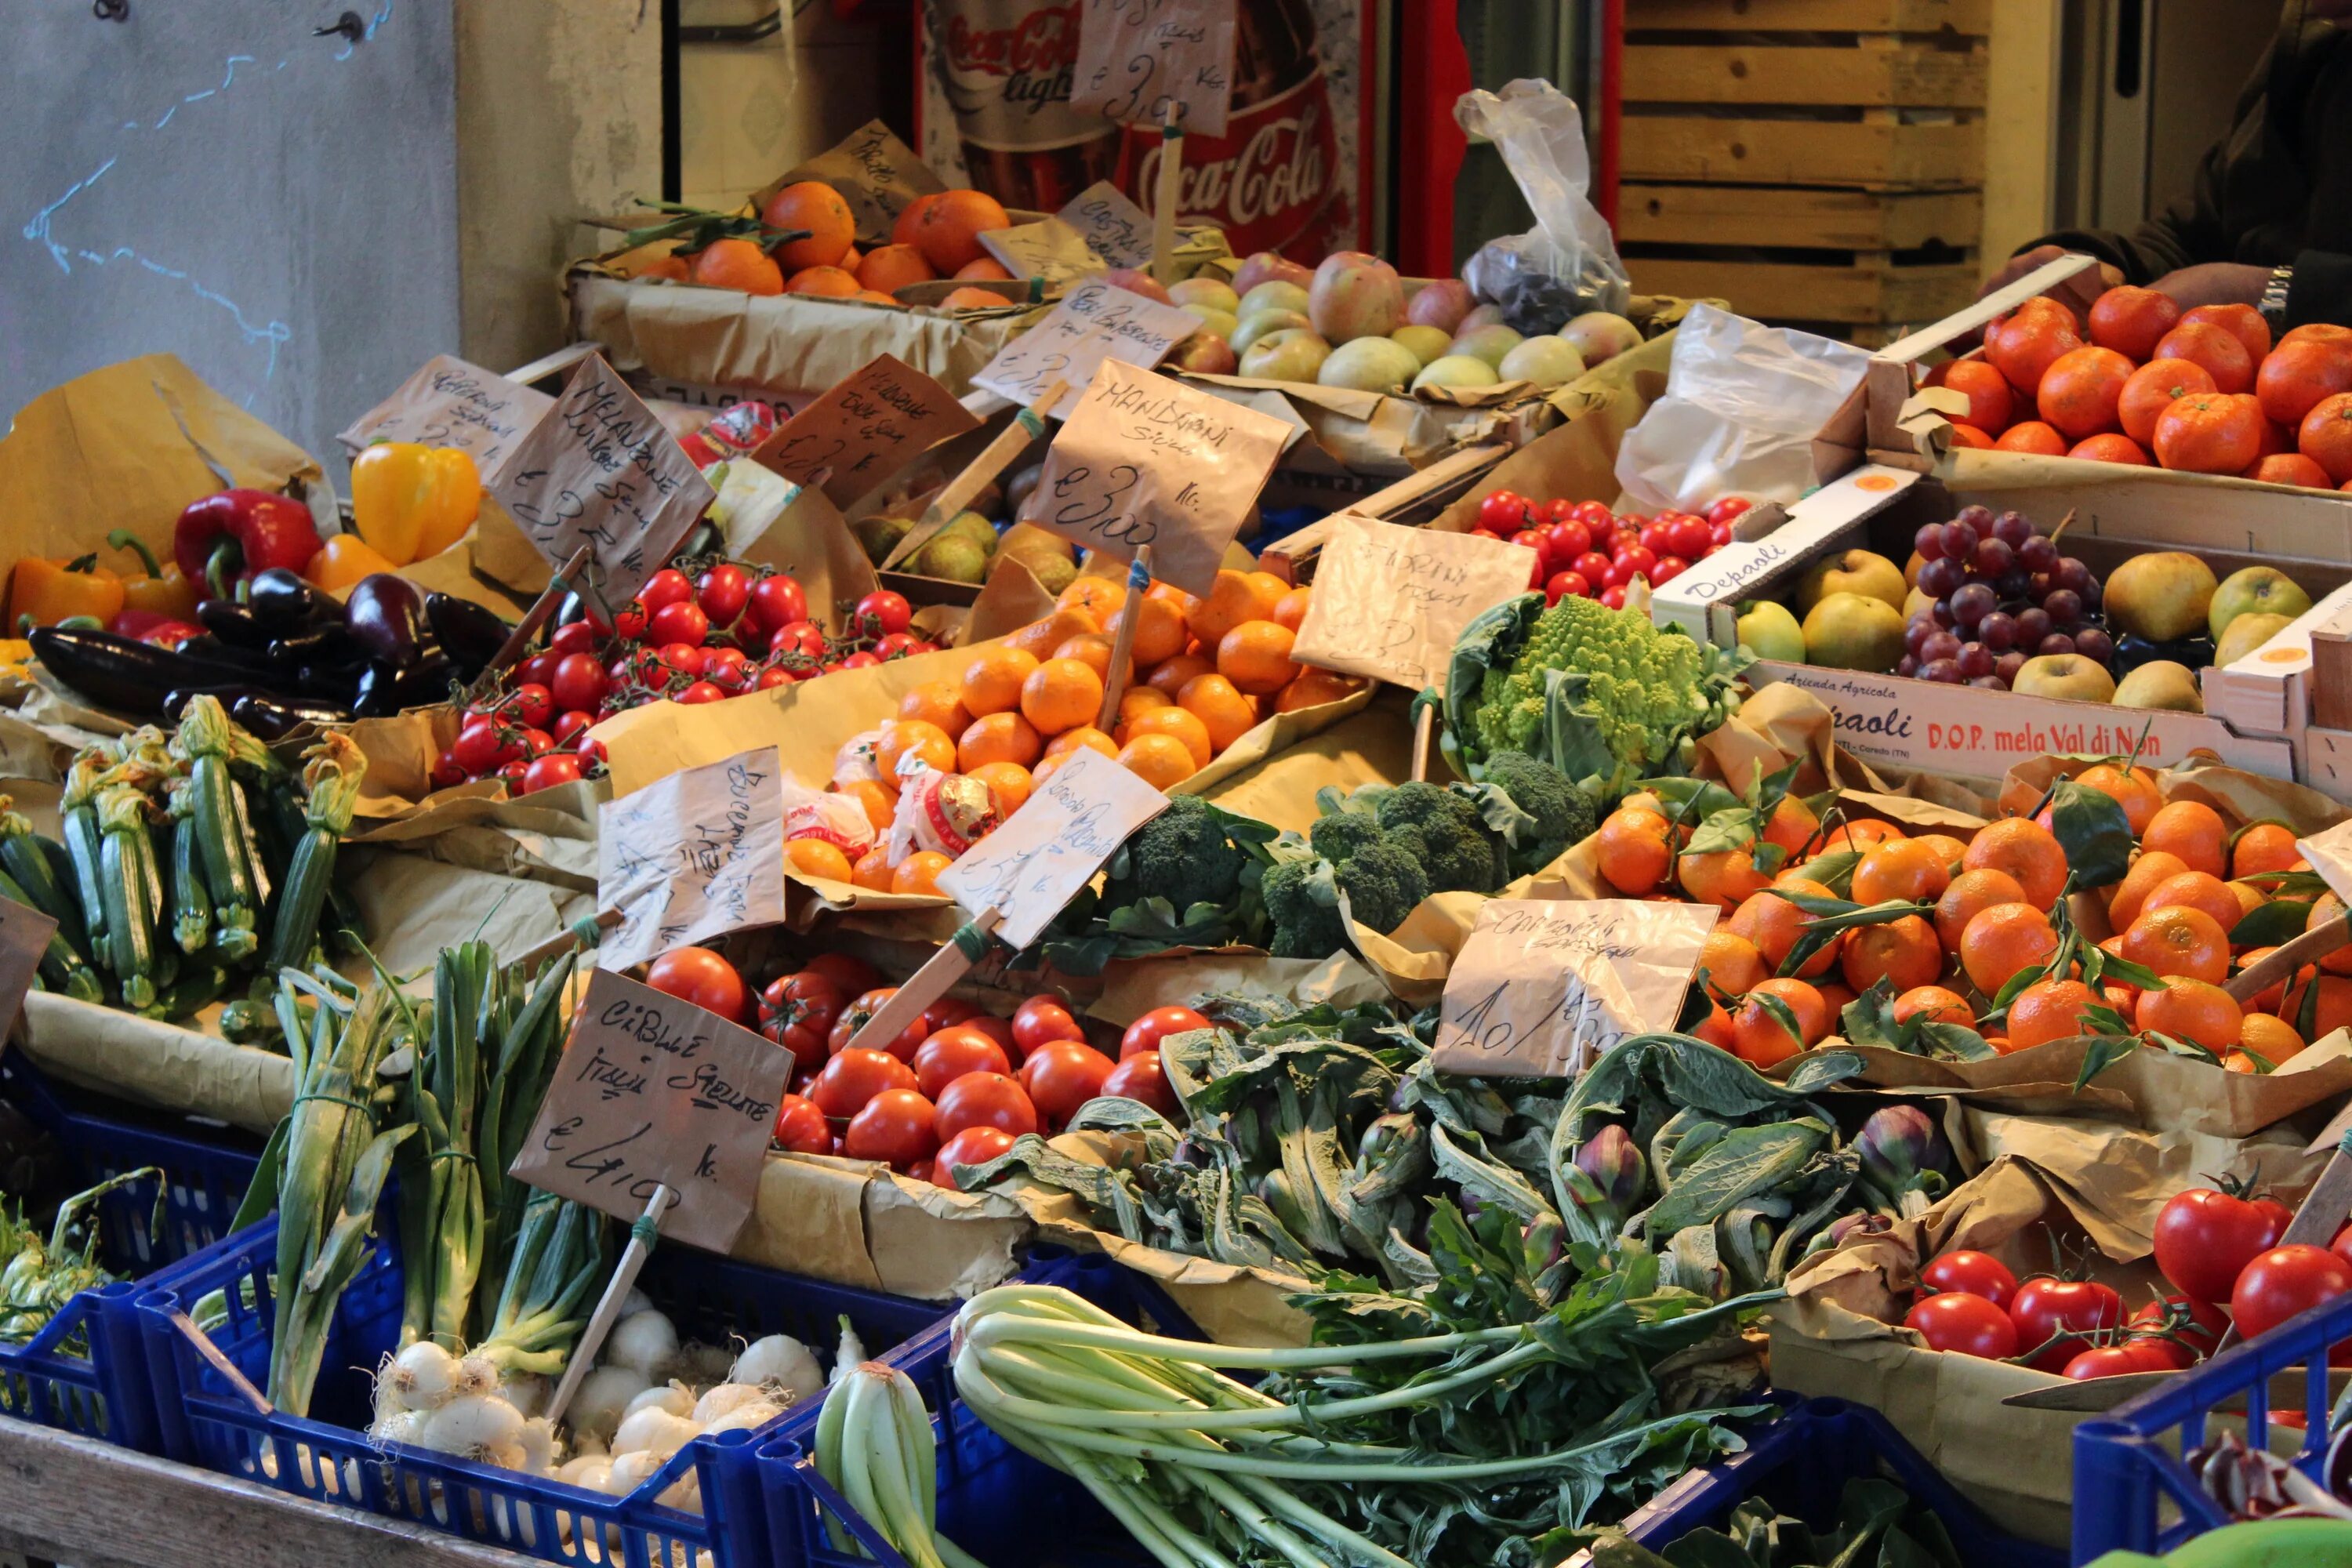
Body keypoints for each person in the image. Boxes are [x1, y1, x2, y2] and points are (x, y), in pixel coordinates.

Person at [1981, 0, 2350, 332]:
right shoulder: (2318, 42)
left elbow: (2222, 286)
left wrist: (2277, 295)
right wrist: (2095, 268)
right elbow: (2194, 236)